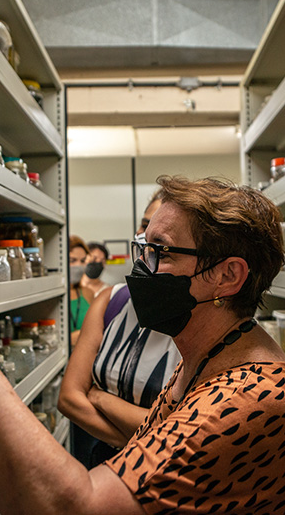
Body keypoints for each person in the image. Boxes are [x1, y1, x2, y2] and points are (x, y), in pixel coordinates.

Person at [0, 175, 285, 514]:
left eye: (161, 253)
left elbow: (70, 508)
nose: (140, 268)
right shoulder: (206, 360)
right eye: (142, 248)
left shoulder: (249, 396)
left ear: (227, 276)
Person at [61, 192, 182, 469]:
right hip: (103, 464)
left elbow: (178, 432)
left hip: (161, 475)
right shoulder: (110, 301)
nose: (148, 235)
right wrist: (142, 436)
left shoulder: (194, 317)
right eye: (144, 224)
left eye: (162, 233)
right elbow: (68, 398)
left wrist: (97, 395)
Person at [69, 235, 94, 344]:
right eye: (72, 260)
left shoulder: (87, 293)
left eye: (82, 261)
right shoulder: (50, 296)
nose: (78, 266)